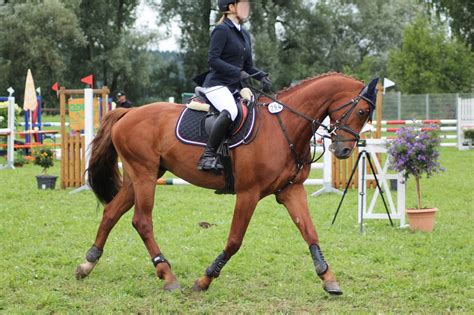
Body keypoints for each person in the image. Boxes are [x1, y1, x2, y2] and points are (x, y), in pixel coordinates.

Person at [197, 0, 272, 174]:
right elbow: (213, 60)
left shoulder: (244, 34)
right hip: (217, 84)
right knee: (231, 110)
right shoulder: (222, 30)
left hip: (233, 86)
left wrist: (262, 76)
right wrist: (237, 73)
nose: (247, 8)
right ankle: (207, 156)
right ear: (231, 8)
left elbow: (248, 66)